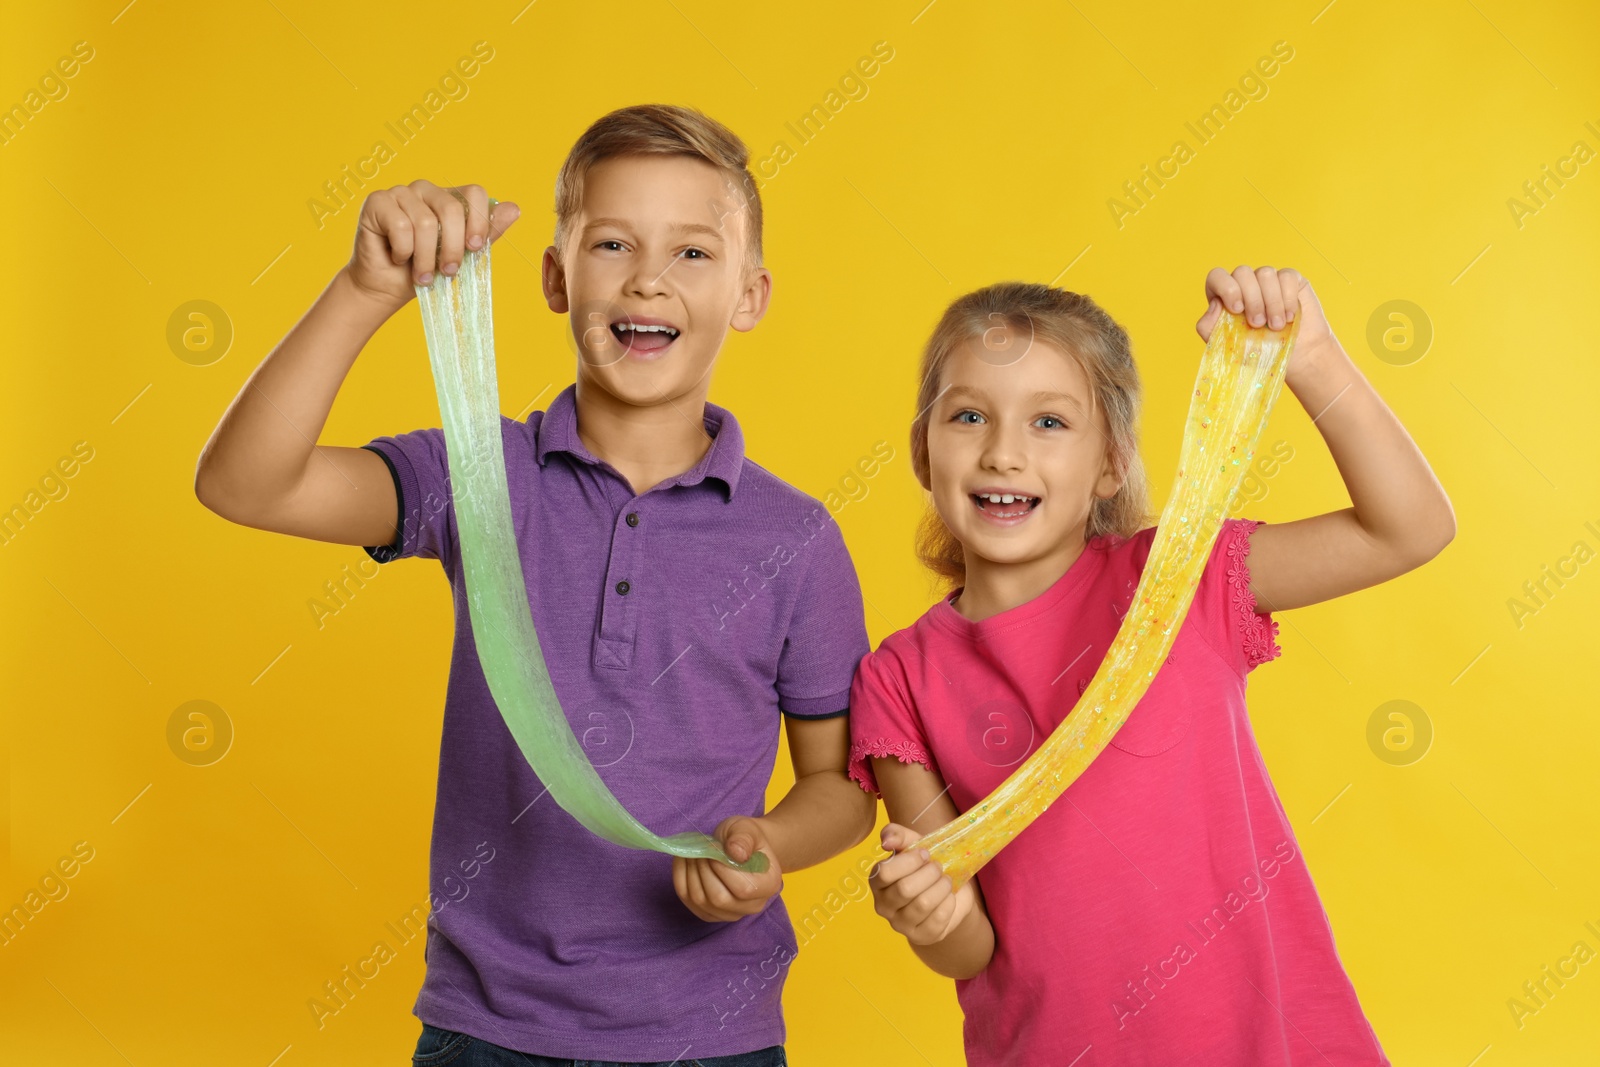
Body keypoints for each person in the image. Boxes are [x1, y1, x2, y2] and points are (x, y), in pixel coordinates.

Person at [195, 104, 876, 1066]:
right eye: (611, 242)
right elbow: (244, 483)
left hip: (709, 1033)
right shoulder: (480, 476)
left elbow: (839, 786)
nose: (647, 276)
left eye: (692, 253)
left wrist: (770, 843)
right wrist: (363, 290)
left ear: (749, 294)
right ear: (556, 279)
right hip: (488, 1028)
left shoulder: (797, 538)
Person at [851, 268, 1454, 1065]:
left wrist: (1311, 357)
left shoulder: (1181, 580)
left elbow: (1407, 529)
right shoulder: (897, 677)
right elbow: (967, 947)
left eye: (1050, 423)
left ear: (1111, 463)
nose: (1003, 452)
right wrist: (931, 914)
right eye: (968, 416)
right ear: (924, 451)